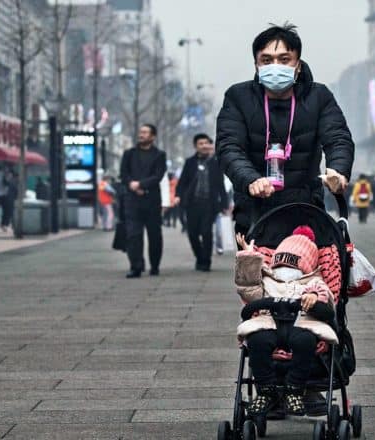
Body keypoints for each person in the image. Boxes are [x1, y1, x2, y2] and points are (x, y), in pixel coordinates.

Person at [216, 23, 354, 237]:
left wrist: (338, 170)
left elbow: (338, 138)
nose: (275, 66)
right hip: (255, 212)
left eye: (284, 59)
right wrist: (251, 179)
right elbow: (228, 147)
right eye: (266, 60)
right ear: (256, 65)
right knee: (257, 270)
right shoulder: (238, 97)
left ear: (297, 65)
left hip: (307, 210)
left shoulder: (319, 96)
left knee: (310, 269)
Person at [234, 226, 337, 417]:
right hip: (270, 324)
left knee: (305, 342)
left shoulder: (312, 282)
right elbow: (248, 290)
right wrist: (249, 259)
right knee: (257, 341)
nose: (284, 269)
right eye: (280, 264)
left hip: (301, 324)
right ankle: (266, 390)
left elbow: (326, 297)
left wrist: (314, 297)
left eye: (291, 265)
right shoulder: (268, 280)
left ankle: (294, 389)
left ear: (305, 267)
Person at [175, 134, 229, 272]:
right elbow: (182, 182)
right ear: (196, 146)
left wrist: (224, 203)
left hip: (210, 204)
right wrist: (178, 196)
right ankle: (199, 257)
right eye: (200, 143)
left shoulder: (216, 162)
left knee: (206, 232)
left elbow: (220, 185)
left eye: (206, 143)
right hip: (192, 203)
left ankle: (206, 261)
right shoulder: (190, 162)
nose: (204, 145)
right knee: (192, 233)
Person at [119, 124, 167, 278]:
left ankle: (155, 265)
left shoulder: (159, 155)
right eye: (140, 132)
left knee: (154, 235)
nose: (141, 135)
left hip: (151, 200)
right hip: (132, 201)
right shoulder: (129, 154)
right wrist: (131, 185)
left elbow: (158, 176)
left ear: (153, 136)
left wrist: (141, 185)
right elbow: (123, 173)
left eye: (145, 132)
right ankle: (136, 266)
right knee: (133, 235)